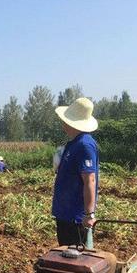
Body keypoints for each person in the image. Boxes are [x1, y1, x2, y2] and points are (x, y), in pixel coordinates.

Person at [51, 97, 100, 246]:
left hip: (76, 219)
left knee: (76, 262)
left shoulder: (85, 145)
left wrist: (88, 214)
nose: (63, 122)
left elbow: (90, 180)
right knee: (66, 257)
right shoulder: (74, 144)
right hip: (65, 215)